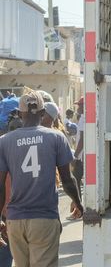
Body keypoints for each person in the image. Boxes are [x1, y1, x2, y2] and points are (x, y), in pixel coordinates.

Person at [0, 91, 83, 267]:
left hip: (15, 221)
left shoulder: (4, 141)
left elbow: (0, 186)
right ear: (43, 112)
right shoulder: (56, 137)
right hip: (44, 219)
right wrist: (78, 202)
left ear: (20, 113)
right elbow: (67, 180)